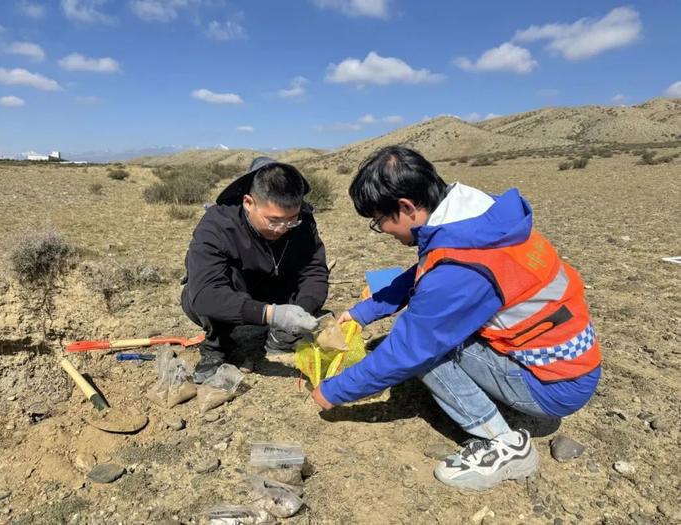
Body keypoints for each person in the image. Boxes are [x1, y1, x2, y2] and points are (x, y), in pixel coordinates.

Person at [311, 146, 601, 491]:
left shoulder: (464, 265)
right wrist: (362, 313)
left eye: (380, 221)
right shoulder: (477, 219)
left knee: (424, 352)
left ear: (406, 207)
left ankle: (505, 445)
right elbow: (426, 270)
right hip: (571, 359)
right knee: (428, 334)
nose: (383, 229)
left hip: (554, 384)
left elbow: (410, 350)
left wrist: (332, 392)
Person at [181, 157, 328, 382]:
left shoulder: (304, 222)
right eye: (274, 220)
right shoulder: (217, 225)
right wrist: (272, 314)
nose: (283, 229)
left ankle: (282, 335)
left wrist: (300, 312)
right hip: (235, 296)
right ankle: (216, 347)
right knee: (206, 293)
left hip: (278, 291)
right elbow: (204, 294)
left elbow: (314, 271)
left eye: (292, 220)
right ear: (249, 202)